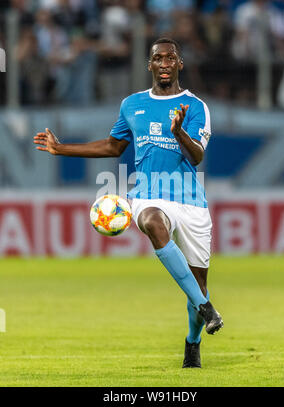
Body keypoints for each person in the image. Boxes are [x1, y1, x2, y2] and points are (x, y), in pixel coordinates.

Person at [33, 37, 223, 368]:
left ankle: (192, 341)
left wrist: (178, 131)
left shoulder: (195, 107)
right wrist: (61, 148)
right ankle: (207, 309)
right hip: (147, 195)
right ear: (148, 64)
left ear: (180, 64)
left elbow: (197, 156)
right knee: (150, 220)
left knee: (199, 284)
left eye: (170, 58)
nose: (164, 63)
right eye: (158, 59)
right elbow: (112, 145)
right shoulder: (132, 105)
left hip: (191, 201)